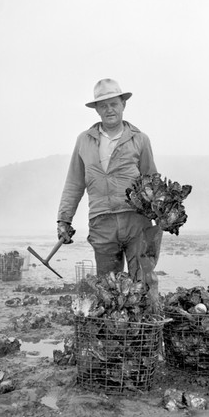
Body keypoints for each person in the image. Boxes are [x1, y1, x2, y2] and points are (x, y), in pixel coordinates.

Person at [57, 78, 162, 303]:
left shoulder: (140, 140)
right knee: (107, 288)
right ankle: (111, 337)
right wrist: (64, 219)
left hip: (136, 222)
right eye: (103, 105)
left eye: (114, 103)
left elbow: (152, 182)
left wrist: (162, 214)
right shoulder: (84, 141)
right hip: (102, 222)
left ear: (123, 105)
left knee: (142, 284)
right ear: (96, 110)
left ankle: (145, 335)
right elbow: (74, 183)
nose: (109, 109)